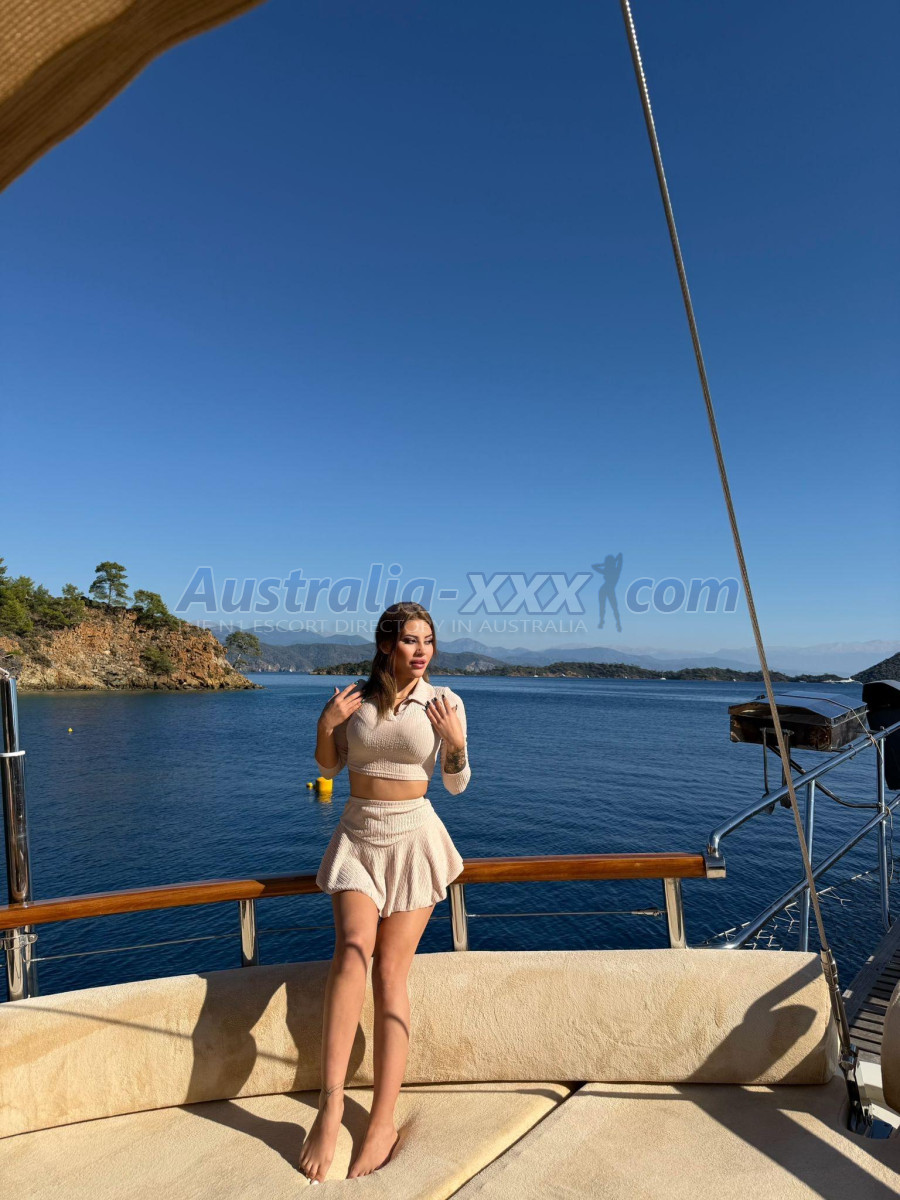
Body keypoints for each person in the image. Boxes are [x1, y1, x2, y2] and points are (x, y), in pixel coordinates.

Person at [298, 601, 471, 1183]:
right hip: (358, 834)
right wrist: (326, 724)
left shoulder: (444, 703)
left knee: (390, 973)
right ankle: (330, 1108)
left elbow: (456, 783)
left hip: (415, 837)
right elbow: (329, 767)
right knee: (351, 954)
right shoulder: (358, 700)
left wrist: (455, 741)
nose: (422, 651)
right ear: (385, 645)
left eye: (429, 641)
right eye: (410, 640)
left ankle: (382, 1121)